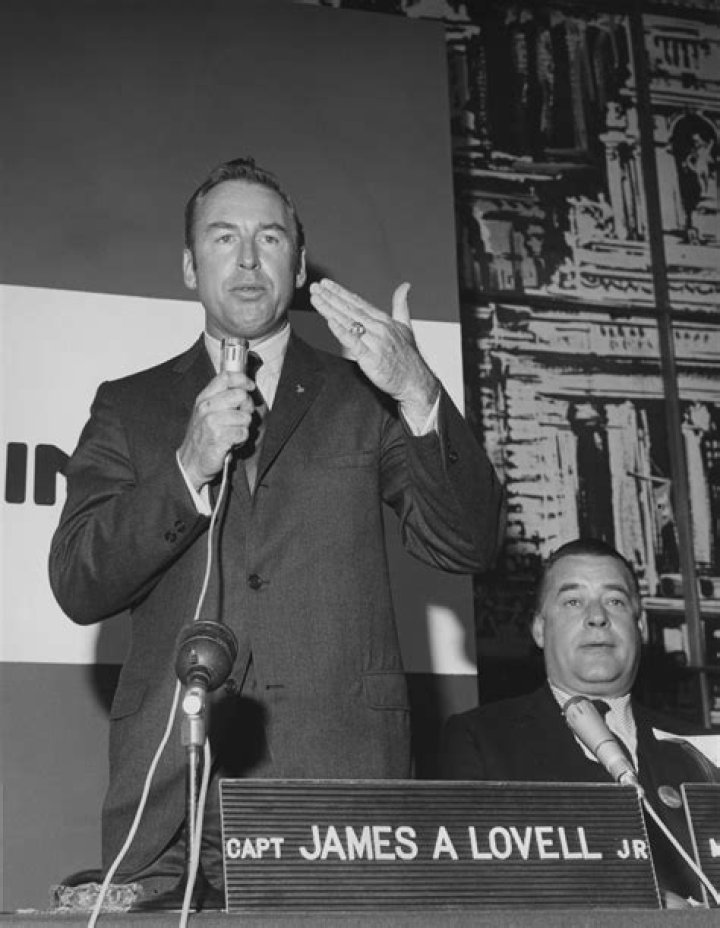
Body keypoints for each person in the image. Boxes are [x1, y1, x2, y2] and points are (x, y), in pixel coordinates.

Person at [48, 156, 504, 898]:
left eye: (270, 238)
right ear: (190, 267)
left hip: (338, 786)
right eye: (223, 237)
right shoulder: (128, 407)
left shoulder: (366, 395)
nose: (248, 259)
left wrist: (418, 390)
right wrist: (186, 469)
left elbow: (468, 542)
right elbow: (77, 582)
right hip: (171, 797)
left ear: (297, 265)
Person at [442, 538, 719, 905]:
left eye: (615, 601)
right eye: (573, 601)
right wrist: (638, 903)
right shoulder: (479, 739)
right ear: (539, 629)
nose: (597, 616)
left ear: (640, 626)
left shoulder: (703, 751)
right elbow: (470, 883)